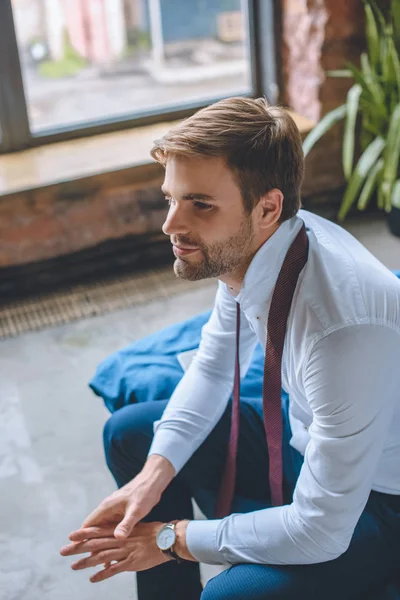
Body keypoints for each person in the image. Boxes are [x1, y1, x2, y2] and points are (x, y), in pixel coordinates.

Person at [60, 97, 400, 600]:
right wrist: (152, 478)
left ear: (268, 207)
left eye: (200, 205)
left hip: (377, 500)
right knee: (131, 433)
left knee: (227, 596)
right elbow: (214, 366)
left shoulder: (340, 333)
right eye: (170, 199)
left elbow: (321, 528)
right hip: (304, 442)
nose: (170, 225)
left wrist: (172, 538)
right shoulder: (255, 250)